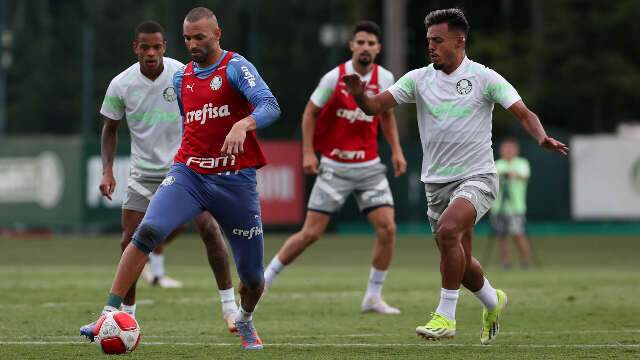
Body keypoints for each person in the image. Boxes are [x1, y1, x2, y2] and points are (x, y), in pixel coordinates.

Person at [342, 8, 567, 344]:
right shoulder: (418, 79)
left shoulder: (484, 78)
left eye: (438, 40)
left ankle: (445, 317)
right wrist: (360, 94)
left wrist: (540, 137)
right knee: (458, 260)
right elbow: (375, 107)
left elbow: (523, 112)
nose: (430, 46)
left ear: (459, 41)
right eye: (428, 40)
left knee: (448, 232)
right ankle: (493, 301)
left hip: (477, 178)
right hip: (436, 184)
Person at [81, 8, 280, 350]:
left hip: (234, 181)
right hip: (189, 173)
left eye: (199, 37)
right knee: (145, 232)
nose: (192, 44)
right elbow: (194, 124)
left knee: (253, 277)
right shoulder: (182, 77)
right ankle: (107, 314)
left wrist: (243, 124)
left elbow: (270, 105)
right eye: (187, 38)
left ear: (217, 33)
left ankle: (244, 319)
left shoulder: (236, 67)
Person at [97, 20, 239, 332]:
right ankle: (128, 317)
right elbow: (110, 128)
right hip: (142, 175)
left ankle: (230, 308)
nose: (151, 53)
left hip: (185, 169)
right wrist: (107, 170)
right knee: (129, 242)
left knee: (210, 229)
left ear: (164, 48)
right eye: (144, 47)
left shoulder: (181, 74)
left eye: (156, 47)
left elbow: (206, 113)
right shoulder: (120, 84)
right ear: (136, 48)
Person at [263, 21, 407, 314]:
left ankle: (373, 296)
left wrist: (396, 151)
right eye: (361, 42)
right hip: (335, 167)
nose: (366, 47)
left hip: (369, 167)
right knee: (311, 234)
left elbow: (387, 116)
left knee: (387, 228)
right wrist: (307, 153)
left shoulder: (386, 76)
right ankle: (264, 280)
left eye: (371, 43)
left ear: (378, 48)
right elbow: (310, 113)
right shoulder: (334, 77)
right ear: (352, 46)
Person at [490, 138, 533, 269]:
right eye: (505, 148)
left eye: (511, 148)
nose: (508, 151)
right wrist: (502, 175)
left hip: (516, 207)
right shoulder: (496, 164)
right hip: (498, 207)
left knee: (519, 235)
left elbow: (525, 177)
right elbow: (492, 179)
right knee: (502, 237)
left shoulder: (522, 163)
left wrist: (512, 174)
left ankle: (526, 262)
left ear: (516, 150)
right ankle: (505, 263)